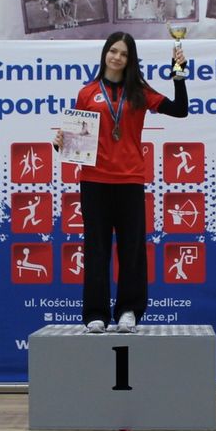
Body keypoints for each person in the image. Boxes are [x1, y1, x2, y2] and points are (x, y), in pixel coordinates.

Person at [56, 32, 189, 333]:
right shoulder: (87, 93)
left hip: (130, 180)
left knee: (132, 249)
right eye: (113, 51)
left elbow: (180, 110)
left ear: (130, 60)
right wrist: (60, 142)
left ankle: (129, 311)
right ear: (105, 53)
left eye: (124, 54)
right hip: (94, 181)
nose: (117, 57)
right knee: (96, 249)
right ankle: (96, 314)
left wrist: (179, 73)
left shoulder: (139, 92)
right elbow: (77, 140)